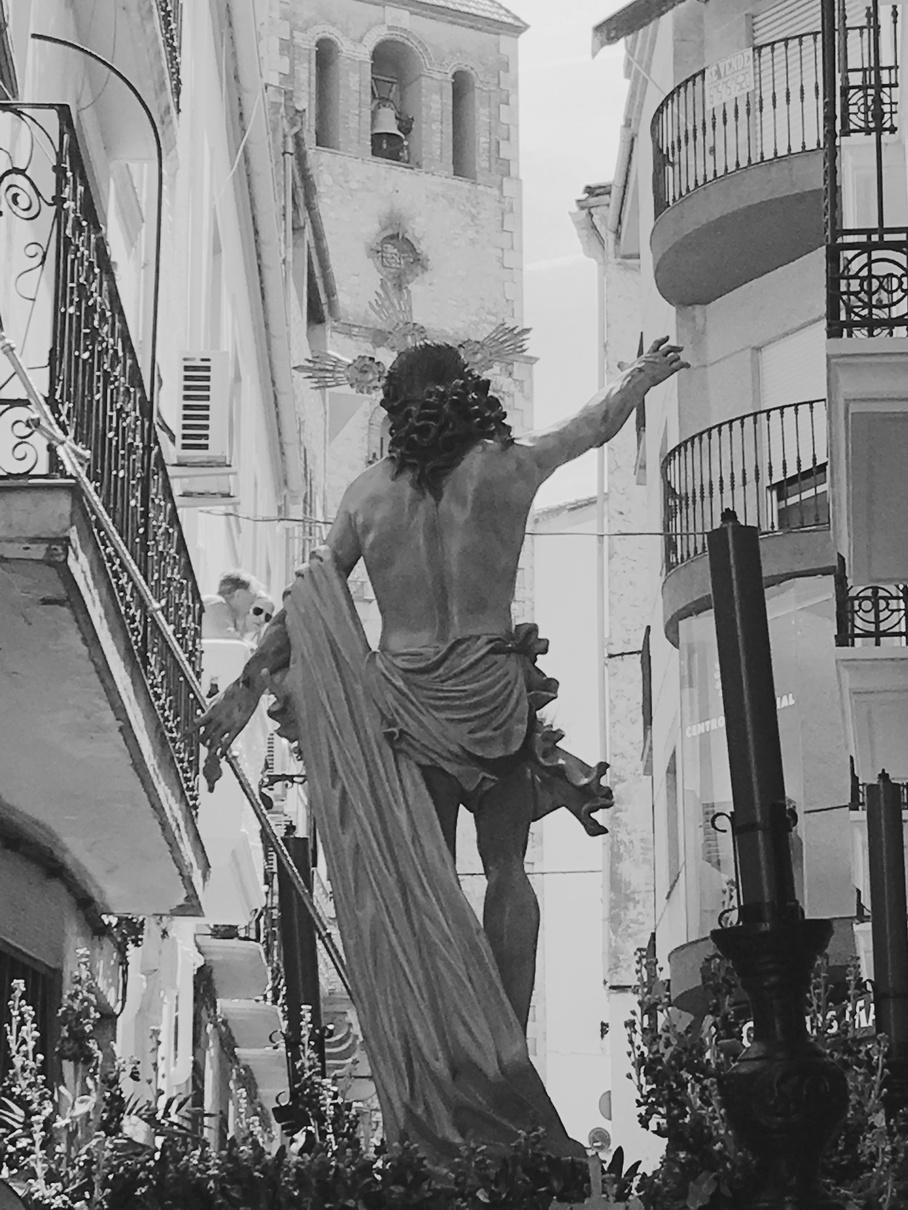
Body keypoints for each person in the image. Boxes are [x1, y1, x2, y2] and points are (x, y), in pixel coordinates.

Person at [195, 336, 687, 1155]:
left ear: (393, 412)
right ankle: (504, 1052)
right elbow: (592, 425)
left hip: (406, 709)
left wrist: (243, 690)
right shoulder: (509, 467)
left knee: (425, 884)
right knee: (507, 870)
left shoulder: (367, 497)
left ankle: (450, 1050)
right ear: (469, 394)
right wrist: (639, 377)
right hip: (492, 696)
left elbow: (305, 604)